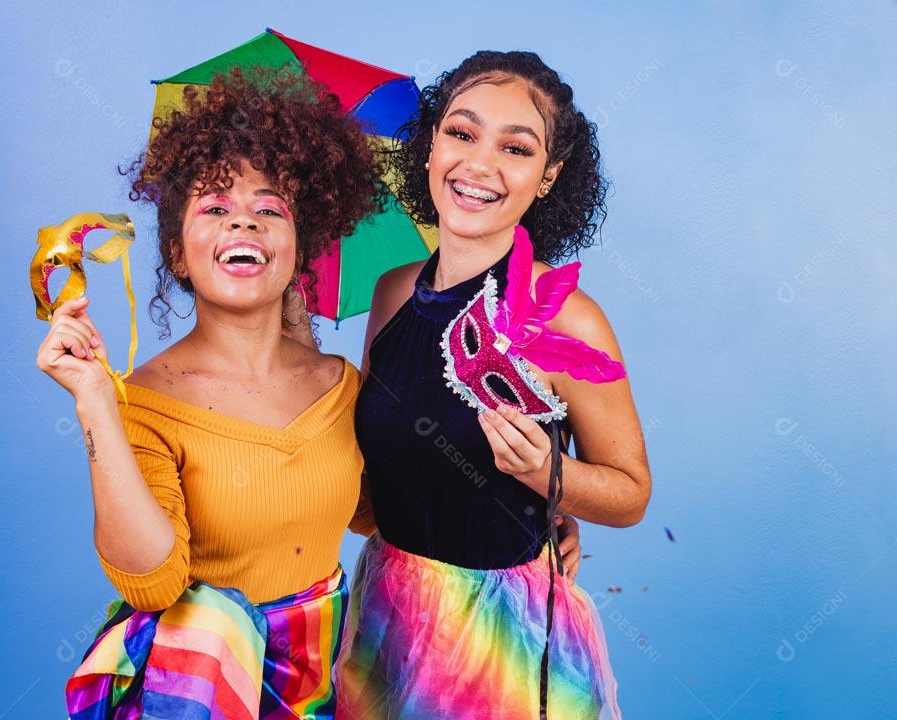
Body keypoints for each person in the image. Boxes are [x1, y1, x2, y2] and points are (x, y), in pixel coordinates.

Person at [38, 66, 386, 719]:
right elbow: (153, 583)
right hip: (194, 690)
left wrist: (530, 518)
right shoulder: (142, 403)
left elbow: (383, 517)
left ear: (298, 247)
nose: (243, 222)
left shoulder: (341, 386)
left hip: (327, 681)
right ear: (178, 252)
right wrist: (95, 401)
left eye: (269, 210)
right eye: (216, 208)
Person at [335, 50, 652, 719]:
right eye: (461, 133)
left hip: (505, 639)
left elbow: (630, 493)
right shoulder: (392, 293)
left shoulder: (567, 318)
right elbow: (381, 465)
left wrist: (548, 476)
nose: (479, 164)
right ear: (429, 146)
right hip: (387, 611)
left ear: (548, 176)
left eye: (515, 147)